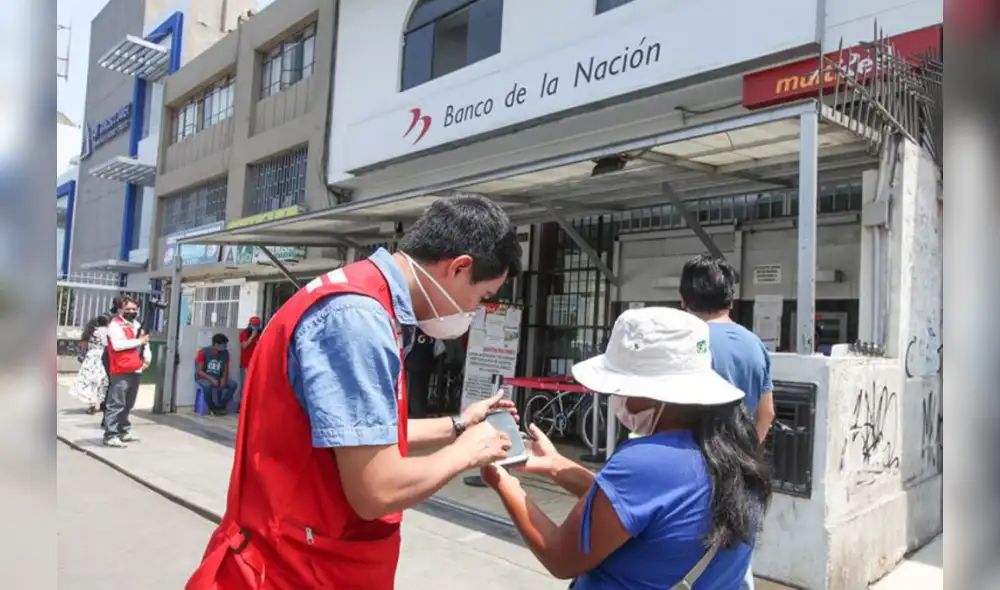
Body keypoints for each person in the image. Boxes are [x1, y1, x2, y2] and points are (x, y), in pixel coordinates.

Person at [186, 195, 523, 589]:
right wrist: (468, 452)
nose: (474, 310)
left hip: (298, 555)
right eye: (482, 297)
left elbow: (362, 434)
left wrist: (459, 425)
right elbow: (377, 488)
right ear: (460, 267)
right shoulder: (357, 320)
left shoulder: (361, 298)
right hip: (292, 568)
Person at [481, 307, 773, 589]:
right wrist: (557, 465)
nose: (617, 400)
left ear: (657, 394)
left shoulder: (646, 461)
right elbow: (638, 510)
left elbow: (561, 557)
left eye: (622, 389)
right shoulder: (731, 449)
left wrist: (503, 481)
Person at [679, 255, 775, 444]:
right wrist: (747, 454)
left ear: (683, 299)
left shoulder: (681, 342)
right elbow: (767, 414)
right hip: (737, 462)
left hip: (690, 458)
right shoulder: (755, 344)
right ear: (730, 300)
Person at [103, 296, 151, 448]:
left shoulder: (136, 325)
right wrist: (139, 341)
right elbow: (118, 345)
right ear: (120, 310)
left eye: (134, 309)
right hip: (121, 369)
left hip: (135, 368)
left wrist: (146, 359)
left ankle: (123, 430)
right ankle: (110, 434)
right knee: (116, 403)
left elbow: (145, 344)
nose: (131, 312)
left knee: (128, 403)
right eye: (128, 309)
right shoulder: (115, 325)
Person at [68, 314, 110, 414]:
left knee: (91, 382)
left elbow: (84, 345)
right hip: (103, 356)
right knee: (103, 381)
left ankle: (92, 405)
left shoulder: (91, 332)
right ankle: (104, 403)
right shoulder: (108, 332)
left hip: (91, 357)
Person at [196, 333, 239, 415]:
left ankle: (221, 406)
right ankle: (212, 407)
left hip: (218, 376)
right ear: (216, 345)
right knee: (207, 386)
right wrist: (211, 379)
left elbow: (225, 369)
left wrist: (223, 379)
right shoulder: (203, 352)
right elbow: (199, 371)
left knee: (233, 384)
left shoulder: (225, 353)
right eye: (224, 345)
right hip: (204, 377)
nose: (225, 346)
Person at [404, 327, 442, 418]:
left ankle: (412, 411)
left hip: (413, 362)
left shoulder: (413, 329)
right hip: (427, 363)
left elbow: (408, 346)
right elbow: (439, 349)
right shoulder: (435, 331)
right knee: (422, 389)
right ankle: (419, 411)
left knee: (412, 387)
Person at [237, 316, 262, 408]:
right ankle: (242, 405)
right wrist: (252, 336)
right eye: (253, 325)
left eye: (257, 325)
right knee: (245, 385)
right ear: (249, 324)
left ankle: (253, 405)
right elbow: (244, 346)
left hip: (256, 364)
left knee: (255, 385)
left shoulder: (260, 334)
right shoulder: (244, 333)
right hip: (246, 364)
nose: (255, 327)